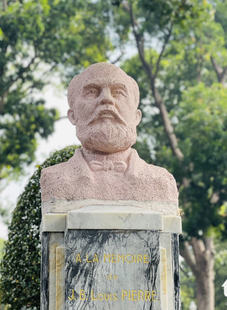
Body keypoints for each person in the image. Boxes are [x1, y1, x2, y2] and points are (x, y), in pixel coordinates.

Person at [40, 62, 179, 216]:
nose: (106, 99)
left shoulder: (161, 181)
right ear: (73, 116)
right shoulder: (54, 179)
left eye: (118, 92)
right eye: (92, 92)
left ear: (136, 117)